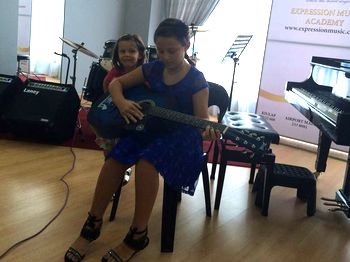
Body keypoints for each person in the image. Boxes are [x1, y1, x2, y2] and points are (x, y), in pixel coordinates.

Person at [64, 18, 221, 262]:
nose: (166, 56)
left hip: (181, 136)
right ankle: (92, 224)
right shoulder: (153, 68)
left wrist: (208, 130)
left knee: (147, 163)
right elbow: (116, 84)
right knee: (115, 159)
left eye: (172, 51)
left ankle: (138, 234)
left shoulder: (196, 80)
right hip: (150, 127)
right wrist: (122, 102)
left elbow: (201, 121)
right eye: (160, 50)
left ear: (186, 46)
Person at [95, 34, 146, 154]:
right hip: (116, 115)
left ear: (141, 55)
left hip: (137, 116)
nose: (127, 54)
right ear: (117, 54)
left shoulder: (145, 74)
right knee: (111, 152)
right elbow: (106, 95)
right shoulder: (113, 75)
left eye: (132, 51)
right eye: (122, 51)